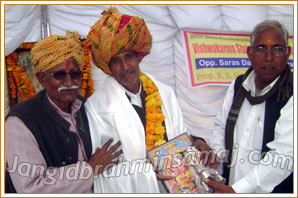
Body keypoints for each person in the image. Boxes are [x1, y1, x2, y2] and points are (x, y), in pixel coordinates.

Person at [85, 7, 212, 193]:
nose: (125, 66)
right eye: (116, 61)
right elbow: (103, 169)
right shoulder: (96, 108)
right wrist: (146, 174)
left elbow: (180, 140)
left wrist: (198, 148)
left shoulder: (164, 92)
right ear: (108, 67)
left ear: (139, 57)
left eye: (129, 57)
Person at [5, 31, 122, 193]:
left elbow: (112, 154)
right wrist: (89, 170)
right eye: (59, 75)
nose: (69, 82)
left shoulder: (88, 107)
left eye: (75, 74)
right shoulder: (20, 121)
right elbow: (31, 188)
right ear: (42, 78)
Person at [204, 20, 293, 193]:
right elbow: (221, 127)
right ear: (249, 53)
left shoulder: (291, 92)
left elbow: (283, 157)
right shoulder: (238, 86)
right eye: (261, 48)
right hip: (230, 186)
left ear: (288, 53)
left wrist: (238, 190)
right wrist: (218, 157)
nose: (268, 57)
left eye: (277, 49)